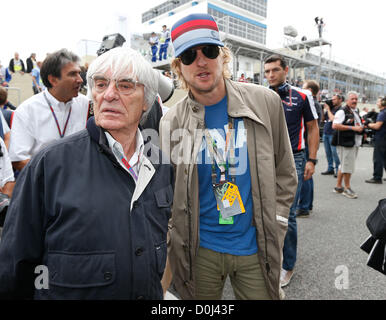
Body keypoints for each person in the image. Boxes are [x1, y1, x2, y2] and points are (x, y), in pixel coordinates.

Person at [0, 47, 174, 299]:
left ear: (147, 100)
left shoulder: (161, 166)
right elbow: (15, 267)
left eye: (125, 86)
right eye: (101, 84)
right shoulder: (49, 165)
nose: (109, 95)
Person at [160, 13, 297, 300]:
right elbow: (168, 190)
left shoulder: (265, 102)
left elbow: (285, 170)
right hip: (200, 251)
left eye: (209, 51)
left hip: (254, 245)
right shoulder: (171, 122)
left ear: (223, 56)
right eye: (188, 56)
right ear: (178, 67)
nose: (201, 61)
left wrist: (279, 220)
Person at [264, 54, 319, 287]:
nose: (270, 75)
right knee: (263, 208)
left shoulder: (302, 95)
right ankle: (267, 256)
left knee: (287, 213)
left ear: (286, 70)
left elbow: (313, 128)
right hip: (264, 158)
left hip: (294, 158)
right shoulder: (262, 95)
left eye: (275, 70)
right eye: (266, 72)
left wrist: (312, 160)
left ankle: (288, 265)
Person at [8, 49, 91, 172]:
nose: (80, 80)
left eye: (79, 73)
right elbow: (19, 160)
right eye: (73, 74)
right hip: (44, 186)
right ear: (53, 80)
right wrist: (56, 173)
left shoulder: (87, 105)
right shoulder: (27, 111)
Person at [296, 80, 322, 218]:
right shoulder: (315, 104)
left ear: (310, 91)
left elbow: (312, 127)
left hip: (305, 143)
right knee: (308, 176)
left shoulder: (311, 104)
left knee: (305, 176)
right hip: (306, 142)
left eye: (304, 88)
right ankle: (307, 204)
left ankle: (304, 206)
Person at [332, 91, 363, 199]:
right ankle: (347, 188)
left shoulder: (355, 110)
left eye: (356, 99)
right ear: (347, 100)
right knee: (348, 166)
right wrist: (353, 128)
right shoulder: (342, 111)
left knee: (344, 164)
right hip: (345, 143)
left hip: (353, 141)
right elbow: (335, 125)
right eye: (352, 99)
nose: (354, 101)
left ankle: (338, 186)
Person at [365, 96, 386, 184]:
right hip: (384, 138)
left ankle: (377, 177)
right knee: (385, 158)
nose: (377, 103)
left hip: (381, 138)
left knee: (378, 158)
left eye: (378, 101)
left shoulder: (382, 113)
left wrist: (368, 124)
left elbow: (377, 126)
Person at [321, 94, 343, 177]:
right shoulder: (331, 108)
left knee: (335, 153)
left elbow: (333, 119)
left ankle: (338, 170)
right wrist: (323, 110)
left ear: (340, 100)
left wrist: (328, 110)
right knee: (328, 152)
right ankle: (330, 168)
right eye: (332, 99)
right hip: (326, 132)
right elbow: (323, 119)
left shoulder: (340, 110)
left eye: (334, 99)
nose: (332, 101)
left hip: (333, 134)